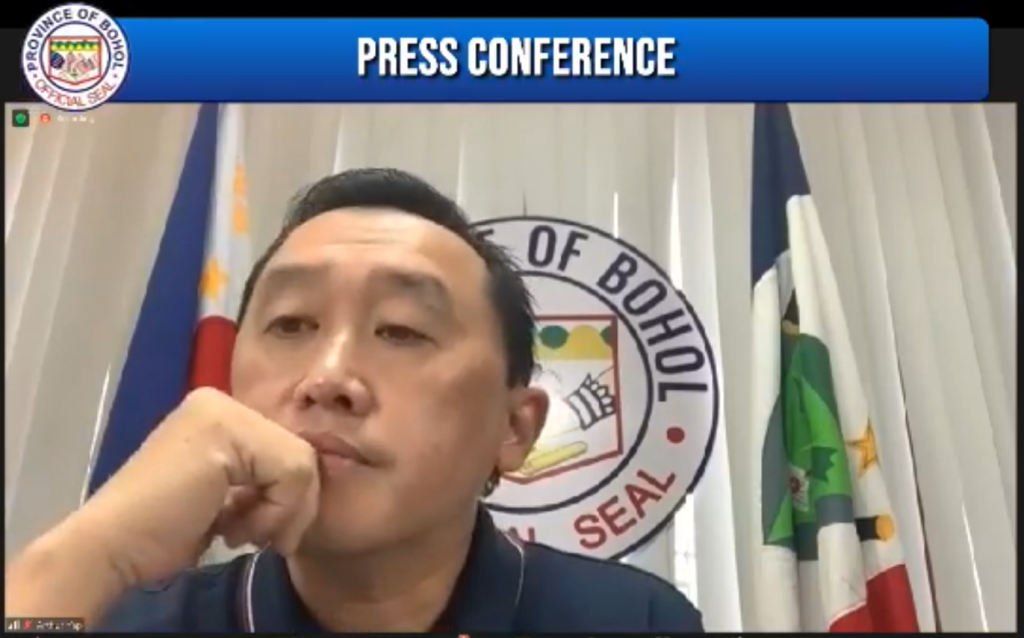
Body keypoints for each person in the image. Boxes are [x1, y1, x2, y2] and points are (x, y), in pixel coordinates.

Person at [5, 168, 703, 633]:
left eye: (401, 330)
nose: (328, 375)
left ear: (514, 428)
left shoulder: (632, 620)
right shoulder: (133, 620)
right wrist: (87, 557)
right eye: (291, 325)